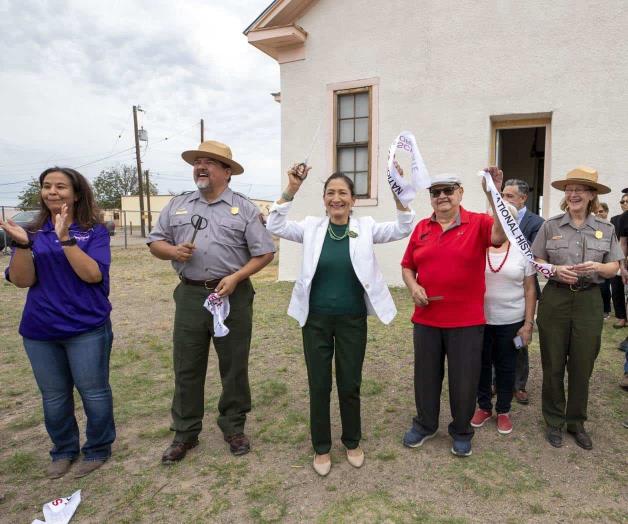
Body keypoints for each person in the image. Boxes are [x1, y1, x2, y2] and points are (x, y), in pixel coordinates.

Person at [266, 164, 415, 476]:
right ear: (323, 200)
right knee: (319, 385)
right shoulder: (310, 228)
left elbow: (403, 227)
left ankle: (351, 441)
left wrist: (398, 190)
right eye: (331, 193)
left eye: (343, 193)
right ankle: (321, 447)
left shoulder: (367, 227)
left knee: (350, 383)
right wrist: (291, 189)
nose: (337, 198)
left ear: (353, 200)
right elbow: (275, 225)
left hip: (351, 321)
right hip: (315, 321)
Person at [148, 140, 275, 463]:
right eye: (197, 162)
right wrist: (173, 252)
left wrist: (236, 277)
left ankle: (233, 426)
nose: (201, 167)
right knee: (187, 365)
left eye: (210, 163)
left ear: (227, 172)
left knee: (233, 365)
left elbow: (264, 253)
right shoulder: (178, 205)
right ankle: (185, 432)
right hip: (191, 294)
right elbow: (155, 242)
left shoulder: (244, 208)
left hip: (232, 294)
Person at [1, 167, 115, 479]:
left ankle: (98, 448)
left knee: (93, 391)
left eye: (61, 186)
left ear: (76, 193)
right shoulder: (32, 232)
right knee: (53, 396)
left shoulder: (94, 231)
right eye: (47, 186)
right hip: (41, 331)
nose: (53, 191)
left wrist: (65, 239)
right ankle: (64, 450)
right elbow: (23, 281)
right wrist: (23, 246)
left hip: (86, 328)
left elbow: (93, 275)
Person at [401, 167, 506, 457]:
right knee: (425, 376)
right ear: (431, 198)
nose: (442, 196)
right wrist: (413, 286)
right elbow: (407, 265)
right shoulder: (422, 227)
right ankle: (425, 424)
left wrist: (493, 195)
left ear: (460, 193)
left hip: (466, 321)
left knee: (464, 378)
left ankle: (461, 430)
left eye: (449, 190)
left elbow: (499, 237)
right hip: (426, 319)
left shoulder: (479, 223)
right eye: (436, 192)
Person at [532, 167, 623, 450]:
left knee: (583, 364)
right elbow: (536, 261)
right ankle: (554, 420)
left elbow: (614, 267)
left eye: (579, 190)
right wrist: (555, 269)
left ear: (591, 195)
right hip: (556, 299)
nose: (573, 195)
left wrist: (598, 266)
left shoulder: (606, 229)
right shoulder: (551, 226)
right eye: (569, 190)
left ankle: (576, 422)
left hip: (589, 300)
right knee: (553, 361)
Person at [471, 204, 537, 435]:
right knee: (481, 366)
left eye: (506, 217)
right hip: (480, 319)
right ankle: (484, 407)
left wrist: (528, 324)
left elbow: (530, 289)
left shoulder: (523, 250)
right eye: (496, 216)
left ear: (514, 221)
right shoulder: (478, 247)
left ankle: (504, 410)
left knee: (507, 366)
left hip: (511, 321)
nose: (500, 221)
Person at [501, 179, 545, 404]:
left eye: (510, 196)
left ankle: (518, 385)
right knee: (494, 341)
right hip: (499, 285)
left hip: (524, 286)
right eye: (503, 195)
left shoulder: (537, 223)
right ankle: (495, 382)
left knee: (519, 338)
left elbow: (534, 253)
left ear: (523, 198)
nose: (504, 200)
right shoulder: (495, 219)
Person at [609, 194, 628, 329]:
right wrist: (622, 264)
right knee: (616, 288)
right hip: (619, 257)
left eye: (627, 201)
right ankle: (621, 317)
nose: (625, 203)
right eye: (622, 201)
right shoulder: (617, 219)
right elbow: (621, 243)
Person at [596, 203, 613, 318]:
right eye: (596, 212)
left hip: (608, 262)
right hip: (595, 261)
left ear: (606, 212)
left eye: (601, 211)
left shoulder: (611, 227)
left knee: (604, 287)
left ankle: (605, 310)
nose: (598, 214)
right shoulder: (592, 227)